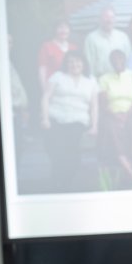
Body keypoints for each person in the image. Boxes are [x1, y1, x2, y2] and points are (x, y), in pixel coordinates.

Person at [40, 50, 99, 190]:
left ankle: (64, 183)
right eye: (71, 61)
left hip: (77, 122)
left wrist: (95, 125)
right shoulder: (58, 76)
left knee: (72, 155)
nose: (74, 64)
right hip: (55, 119)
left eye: (78, 61)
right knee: (58, 152)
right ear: (66, 63)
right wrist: (45, 118)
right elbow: (46, 97)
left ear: (84, 63)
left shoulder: (91, 80)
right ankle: (57, 184)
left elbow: (94, 105)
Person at [98, 49, 132, 186]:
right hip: (112, 113)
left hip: (131, 112)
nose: (117, 62)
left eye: (120, 58)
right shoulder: (104, 78)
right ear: (111, 62)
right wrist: (116, 115)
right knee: (112, 129)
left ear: (124, 60)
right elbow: (103, 103)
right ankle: (131, 173)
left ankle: (129, 167)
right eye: (114, 59)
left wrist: (127, 115)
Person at [84, 6, 132, 79]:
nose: (109, 20)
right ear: (100, 19)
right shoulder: (91, 38)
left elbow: (129, 60)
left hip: (121, 79)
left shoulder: (123, 37)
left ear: (115, 20)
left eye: (112, 17)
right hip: (100, 80)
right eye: (106, 17)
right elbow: (88, 63)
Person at [38, 18, 77, 92]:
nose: (63, 30)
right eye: (60, 27)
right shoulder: (47, 47)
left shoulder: (74, 48)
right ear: (55, 30)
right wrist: (45, 91)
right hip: (53, 88)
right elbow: (42, 70)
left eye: (66, 27)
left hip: (71, 88)